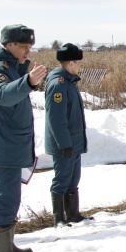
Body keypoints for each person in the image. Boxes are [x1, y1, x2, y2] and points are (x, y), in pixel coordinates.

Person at [0, 24, 46, 252]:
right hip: (4, 143)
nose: (27, 51)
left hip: (9, 141)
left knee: (11, 196)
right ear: (8, 45)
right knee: (5, 197)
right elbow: (3, 96)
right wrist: (27, 81)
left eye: (30, 46)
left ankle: (7, 245)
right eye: (23, 46)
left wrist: (24, 78)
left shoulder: (10, 68)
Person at [45, 43, 93, 226]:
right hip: (64, 143)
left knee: (73, 178)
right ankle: (59, 219)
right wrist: (64, 144)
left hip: (74, 142)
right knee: (62, 179)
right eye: (79, 62)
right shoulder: (59, 85)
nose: (81, 65)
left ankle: (73, 214)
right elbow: (56, 119)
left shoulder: (70, 82)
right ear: (71, 63)